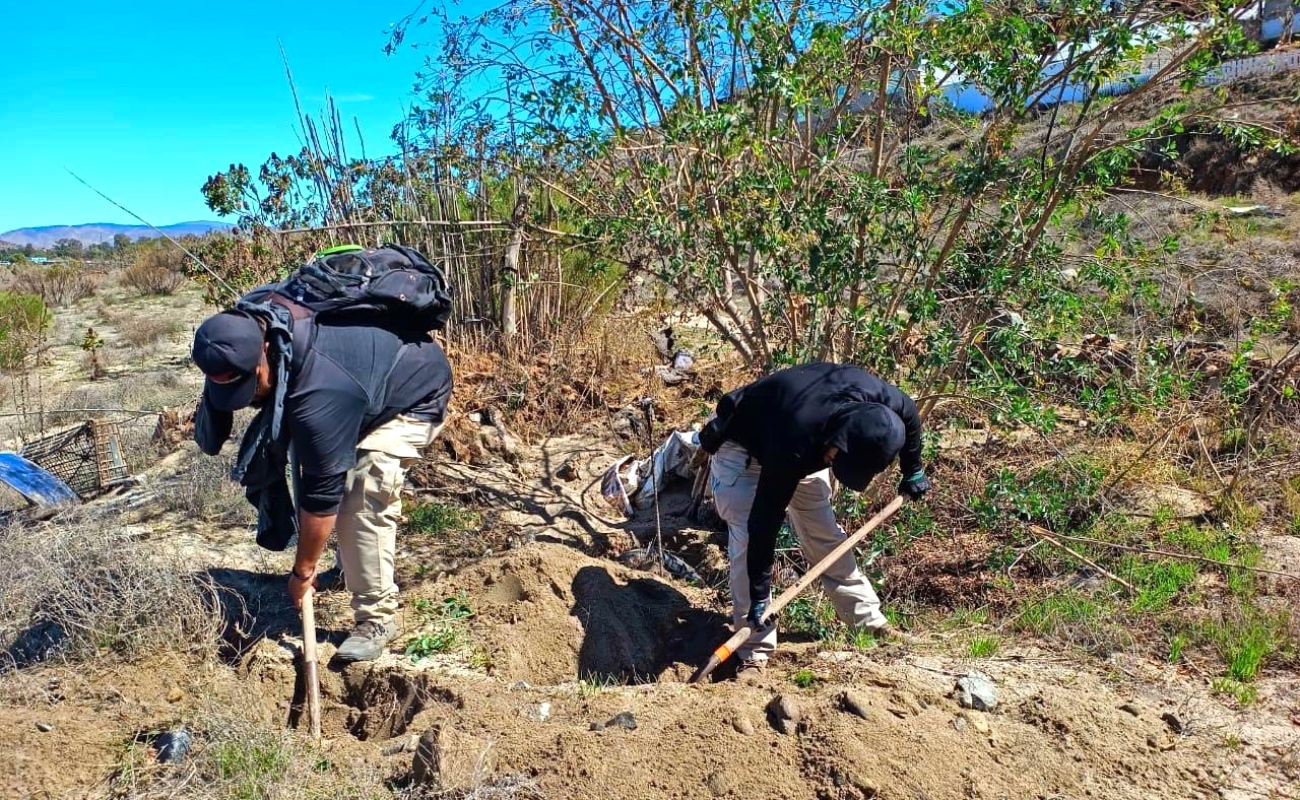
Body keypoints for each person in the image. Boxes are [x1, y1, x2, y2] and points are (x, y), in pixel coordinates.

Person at [191, 290, 453, 662]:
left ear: (265, 352)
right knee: (319, 454)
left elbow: (321, 498)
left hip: (412, 391)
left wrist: (302, 572)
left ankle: (376, 619)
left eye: (250, 387)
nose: (246, 399)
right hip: (359, 383)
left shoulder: (320, 390)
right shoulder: (242, 331)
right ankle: (350, 568)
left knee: (362, 490)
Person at [697, 362, 930, 672]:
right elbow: (763, 523)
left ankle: (868, 621)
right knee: (748, 538)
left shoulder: (877, 404)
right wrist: (759, 596)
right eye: (838, 460)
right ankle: (754, 648)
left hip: (803, 441)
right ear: (840, 440)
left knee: (825, 536)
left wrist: (912, 469)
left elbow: (910, 413)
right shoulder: (793, 438)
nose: (834, 465)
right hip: (746, 450)